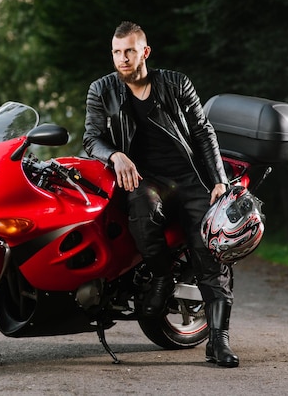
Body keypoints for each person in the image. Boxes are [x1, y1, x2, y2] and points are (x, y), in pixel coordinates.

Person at [83, 21, 239, 367]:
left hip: (190, 177)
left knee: (210, 252)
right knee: (141, 203)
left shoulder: (176, 83)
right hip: (146, 179)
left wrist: (218, 180)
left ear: (145, 52)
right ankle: (161, 275)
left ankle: (218, 341)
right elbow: (91, 138)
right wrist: (115, 154)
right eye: (116, 52)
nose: (122, 59)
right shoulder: (102, 90)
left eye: (129, 51)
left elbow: (203, 132)